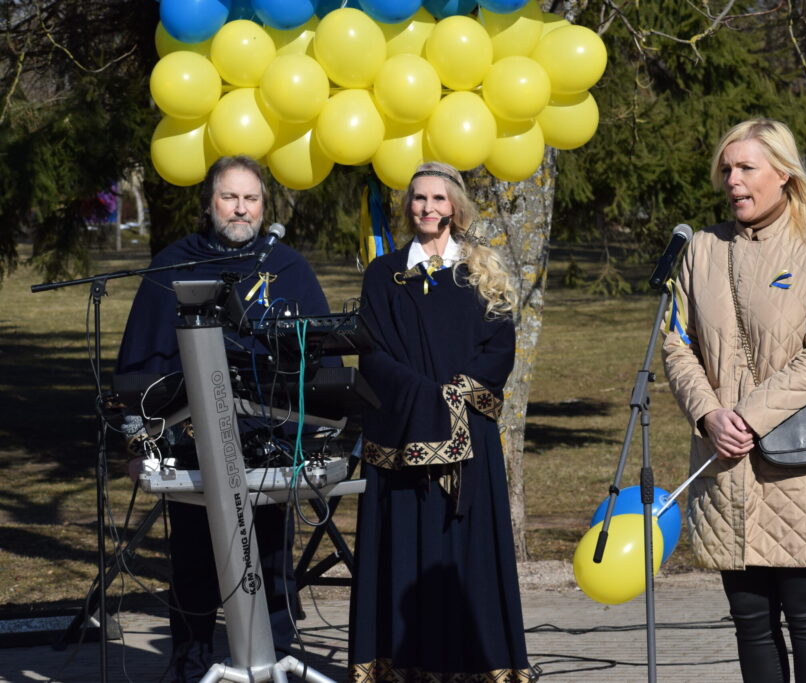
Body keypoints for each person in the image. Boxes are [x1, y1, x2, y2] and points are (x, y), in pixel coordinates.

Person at [116, 155, 331, 682]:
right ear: (209, 202)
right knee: (192, 563)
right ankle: (191, 664)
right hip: (192, 444)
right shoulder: (172, 265)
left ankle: (274, 660)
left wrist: (312, 436)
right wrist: (138, 441)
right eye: (229, 197)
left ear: (264, 206)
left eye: (250, 198)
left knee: (271, 561)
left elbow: (320, 364)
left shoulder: (288, 269)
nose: (240, 208)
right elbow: (142, 363)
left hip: (268, 444)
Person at [662, 119, 806, 683]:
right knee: (749, 620)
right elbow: (676, 344)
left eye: (746, 167)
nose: (733, 180)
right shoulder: (701, 248)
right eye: (726, 169)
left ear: (784, 174)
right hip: (723, 461)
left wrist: (746, 416)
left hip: (798, 466)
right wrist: (708, 415)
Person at [348, 162, 533, 682]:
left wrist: (455, 397)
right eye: (419, 198)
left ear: (455, 206)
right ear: (407, 205)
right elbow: (373, 354)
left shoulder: (481, 271)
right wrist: (427, 399)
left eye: (438, 198)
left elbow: (499, 348)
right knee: (403, 549)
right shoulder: (383, 274)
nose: (427, 208)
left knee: (466, 553)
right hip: (401, 436)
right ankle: (402, 667)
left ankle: (473, 666)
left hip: (468, 436)